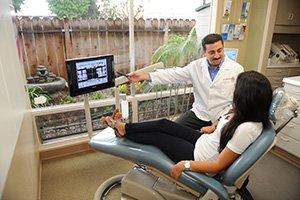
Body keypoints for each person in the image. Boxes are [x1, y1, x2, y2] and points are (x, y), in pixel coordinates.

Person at [101, 71, 273, 179]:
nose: (233, 93)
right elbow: (225, 122)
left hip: (199, 156)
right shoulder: (244, 114)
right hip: (204, 142)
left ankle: (123, 130)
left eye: (237, 90)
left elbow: (218, 165)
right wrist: (212, 128)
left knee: (157, 138)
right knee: (164, 124)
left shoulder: (247, 129)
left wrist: (185, 164)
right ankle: (124, 128)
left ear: (246, 98)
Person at [126, 33, 244, 131]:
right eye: (212, 52)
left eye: (220, 50)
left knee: (218, 142)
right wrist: (145, 76)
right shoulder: (196, 66)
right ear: (204, 52)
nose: (217, 55)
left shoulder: (237, 69)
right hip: (199, 113)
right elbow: (173, 74)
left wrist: (220, 121)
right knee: (172, 130)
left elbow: (238, 101)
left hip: (223, 115)